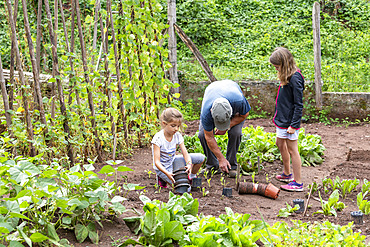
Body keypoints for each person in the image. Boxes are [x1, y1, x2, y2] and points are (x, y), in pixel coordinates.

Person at [198, 80, 251, 177]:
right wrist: (220, 158)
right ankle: (212, 165)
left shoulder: (239, 101)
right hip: (212, 91)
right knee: (202, 135)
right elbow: (209, 137)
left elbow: (244, 115)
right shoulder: (206, 111)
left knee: (236, 133)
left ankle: (232, 166)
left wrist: (228, 126)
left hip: (230, 94)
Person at [269, 47, 305, 192]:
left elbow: (298, 104)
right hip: (282, 119)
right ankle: (287, 173)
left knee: (293, 149)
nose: (276, 69)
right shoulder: (286, 76)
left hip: (289, 122)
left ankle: (298, 182)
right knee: (279, 143)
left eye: (277, 66)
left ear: (284, 64)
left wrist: (294, 125)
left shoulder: (295, 78)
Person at [152, 108, 205, 188]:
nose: (176, 129)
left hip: (173, 160)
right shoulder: (158, 139)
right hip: (163, 168)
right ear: (164, 123)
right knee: (183, 188)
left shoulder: (177, 135)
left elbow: (185, 153)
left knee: (201, 158)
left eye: (178, 126)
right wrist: (167, 173)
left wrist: (189, 164)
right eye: (173, 126)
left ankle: (191, 177)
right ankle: (161, 178)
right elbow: (157, 162)